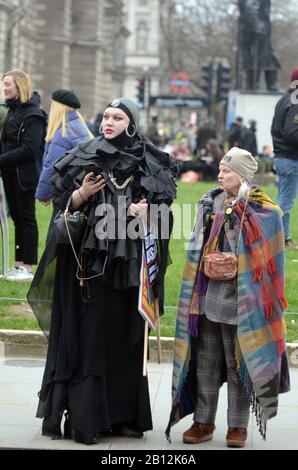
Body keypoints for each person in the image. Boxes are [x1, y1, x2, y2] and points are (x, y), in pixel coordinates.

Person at [28, 97, 177, 445]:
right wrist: (81, 192)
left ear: (131, 122)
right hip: (90, 266)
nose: (108, 122)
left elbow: (164, 215)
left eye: (118, 117)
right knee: (90, 335)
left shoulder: (150, 160)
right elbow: (61, 208)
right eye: (106, 116)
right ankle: (87, 417)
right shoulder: (84, 153)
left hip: (130, 268)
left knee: (126, 336)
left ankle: (124, 417)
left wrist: (148, 214)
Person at [166, 147, 290, 448]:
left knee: (238, 366)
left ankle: (238, 426)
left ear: (243, 175)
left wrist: (236, 222)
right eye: (220, 169)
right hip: (206, 297)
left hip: (243, 300)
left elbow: (269, 261)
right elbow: (196, 248)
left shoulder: (266, 211)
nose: (220, 174)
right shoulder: (209, 203)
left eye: (227, 170)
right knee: (206, 363)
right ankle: (203, 421)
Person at [0, 69, 47, 281]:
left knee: (27, 219)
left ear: (20, 86)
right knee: (17, 218)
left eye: (8, 84)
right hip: (9, 174)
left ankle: (27, 267)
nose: (4, 87)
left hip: (25, 175)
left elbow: (30, 148)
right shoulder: (12, 111)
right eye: (3, 83)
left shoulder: (33, 114)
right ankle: (18, 264)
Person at [36, 89, 93, 210]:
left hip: (66, 193)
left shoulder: (63, 133)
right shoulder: (80, 126)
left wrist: (43, 194)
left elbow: (52, 165)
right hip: (79, 190)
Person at [271, 67, 298, 249]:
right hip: (290, 158)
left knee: (283, 199)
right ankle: (283, 239)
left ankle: (279, 237)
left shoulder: (283, 100)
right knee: (285, 202)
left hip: (281, 156)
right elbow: (291, 132)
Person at [238, 0, 281, 91]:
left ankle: (267, 84)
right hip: (256, 33)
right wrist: (256, 25)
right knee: (257, 59)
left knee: (268, 59)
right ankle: (254, 84)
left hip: (259, 31)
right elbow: (250, 8)